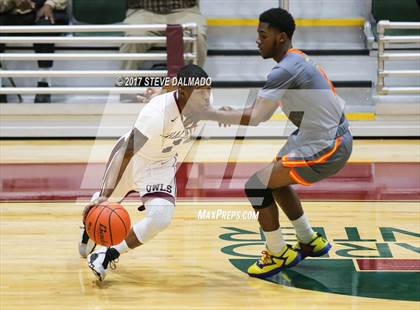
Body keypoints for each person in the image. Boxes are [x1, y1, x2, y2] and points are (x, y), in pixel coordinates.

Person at [196, 8, 353, 278]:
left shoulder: (285, 70)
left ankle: (278, 252)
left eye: (262, 34)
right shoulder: (295, 61)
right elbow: (263, 111)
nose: (257, 40)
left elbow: (257, 117)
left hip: (327, 143)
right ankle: (308, 239)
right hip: (318, 136)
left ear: (280, 38)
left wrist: (210, 114)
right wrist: (227, 112)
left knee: (256, 185)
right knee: (273, 179)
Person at [79, 64, 212, 281]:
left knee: (161, 218)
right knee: (106, 203)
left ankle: (106, 254)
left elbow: (172, 83)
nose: (207, 97)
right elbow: (126, 152)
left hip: (161, 165)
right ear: (184, 92)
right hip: (132, 159)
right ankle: (93, 220)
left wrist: (160, 91)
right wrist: (106, 193)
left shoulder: (201, 101)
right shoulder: (155, 115)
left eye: (209, 89)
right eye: (201, 92)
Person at [0, 0, 68, 103]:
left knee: (44, 29)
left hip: (43, 10)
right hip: (10, 12)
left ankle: (43, 85)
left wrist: (49, 4)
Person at [122, 0, 207, 70]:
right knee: (133, 38)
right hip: (143, 10)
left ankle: (191, 85)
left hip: (184, 10)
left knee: (197, 37)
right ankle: (125, 85)